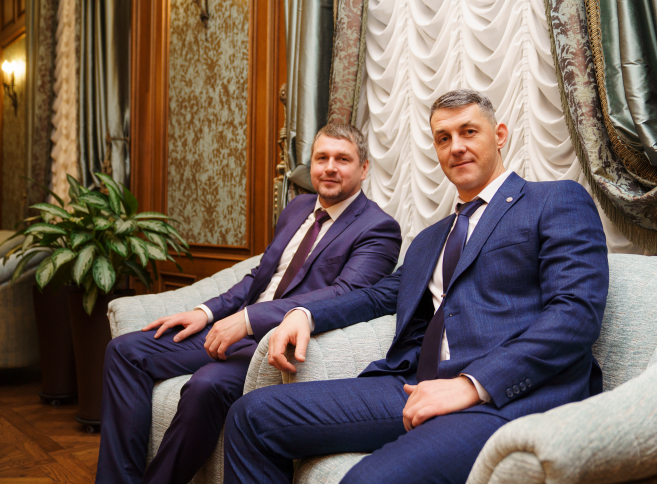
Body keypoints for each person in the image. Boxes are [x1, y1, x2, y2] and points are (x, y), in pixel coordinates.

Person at [223, 90, 609, 484]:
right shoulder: (430, 239)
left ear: (499, 135)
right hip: (414, 384)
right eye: (443, 138)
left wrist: (473, 384)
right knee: (250, 415)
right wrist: (304, 313)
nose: (456, 147)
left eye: (469, 131)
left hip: (504, 396)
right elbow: (378, 295)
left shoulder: (554, 200)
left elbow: (575, 314)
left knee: (367, 481)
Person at [95, 123, 402, 484]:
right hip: (233, 325)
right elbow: (260, 275)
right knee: (125, 351)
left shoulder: (378, 228)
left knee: (206, 385)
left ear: (364, 168)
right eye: (322, 158)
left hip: (273, 341)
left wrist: (250, 319)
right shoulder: (298, 207)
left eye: (342, 159)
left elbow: (346, 294)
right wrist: (205, 312)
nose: (330, 167)